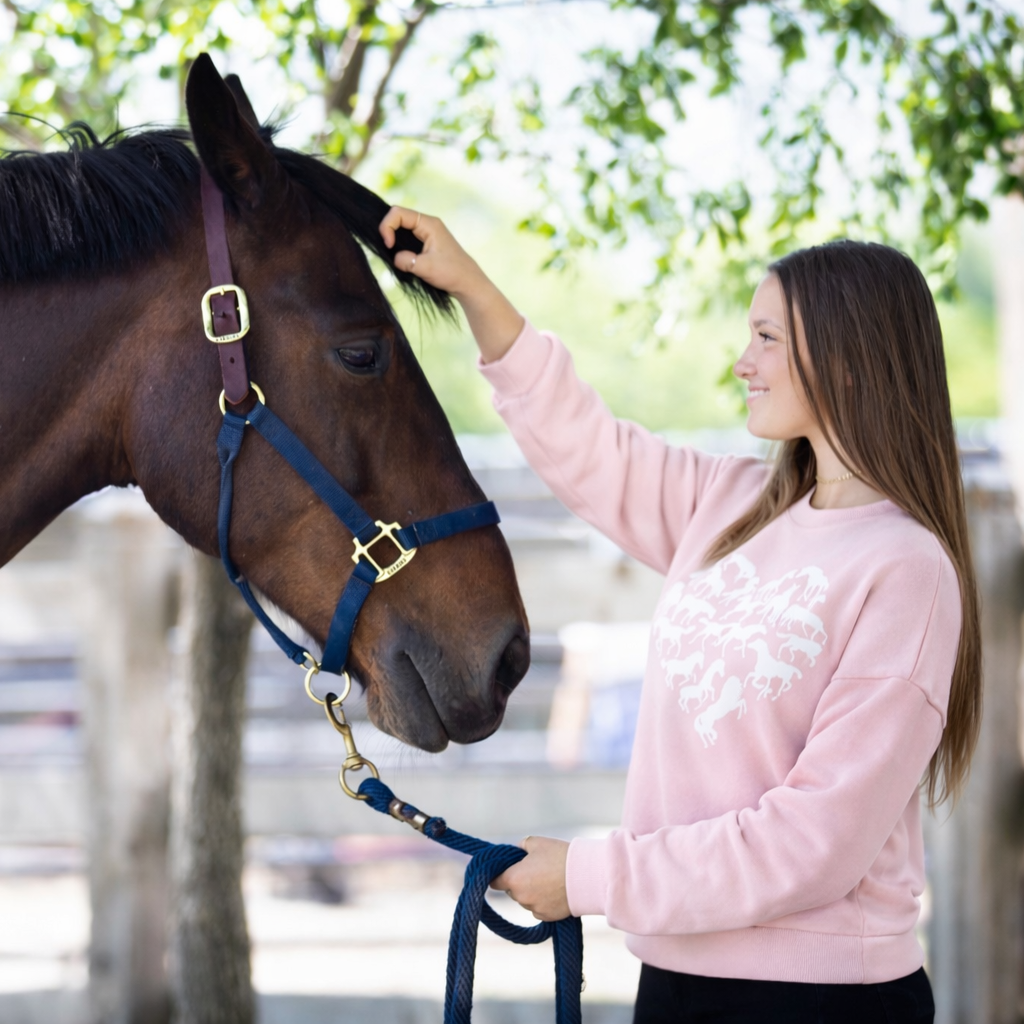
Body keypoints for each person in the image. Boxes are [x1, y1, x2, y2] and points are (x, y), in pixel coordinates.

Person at [379, 208, 979, 1022]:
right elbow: (583, 442)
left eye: (767, 338)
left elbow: (814, 844)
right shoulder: (729, 503)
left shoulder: (906, 571)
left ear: (844, 358)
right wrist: (471, 287)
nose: (743, 363)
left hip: (823, 1001)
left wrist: (587, 878)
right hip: (674, 983)